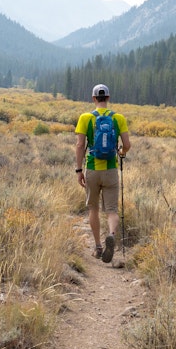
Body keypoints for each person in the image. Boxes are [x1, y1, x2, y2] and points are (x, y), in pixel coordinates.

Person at [75, 84, 131, 262]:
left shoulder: (85, 118)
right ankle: (112, 235)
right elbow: (127, 144)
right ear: (108, 98)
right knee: (112, 210)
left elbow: (80, 145)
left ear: (93, 99)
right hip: (111, 170)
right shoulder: (118, 118)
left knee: (93, 208)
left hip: (92, 169)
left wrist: (78, 170)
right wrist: (120, 154)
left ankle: (99, 247)